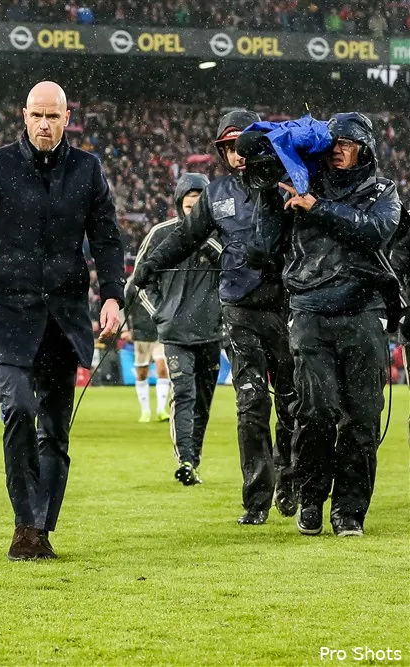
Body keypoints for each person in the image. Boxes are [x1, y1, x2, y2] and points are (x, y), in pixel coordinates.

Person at [0, 81, 124, 561]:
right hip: (9, 313)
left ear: (68, 118)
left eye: (53, 117)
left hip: (64, 317)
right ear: (23, 115)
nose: (45, 124)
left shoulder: (88, 169)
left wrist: (111, 295)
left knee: (56, 430)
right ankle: (25, 521)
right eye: (37, 115)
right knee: (19, 410)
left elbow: (106, 238)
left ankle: (40, 528)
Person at [133, 109, 297, 526]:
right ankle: (257, 500)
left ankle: (292, 481)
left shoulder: (289, 181)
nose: (238, 154)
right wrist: (149, 265)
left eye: (244, 144)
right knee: (251, 402)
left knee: (293, 403)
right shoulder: (216, 192)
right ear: (222, 152)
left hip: (287, 306)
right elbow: (186, 238)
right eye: (230, 147)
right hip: (239, 307)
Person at [273, 113, 402, 537]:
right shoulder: (299, 181)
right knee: (316, 411)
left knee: (362, 418)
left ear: (365, 147)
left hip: (364, 313)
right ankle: (311, 499)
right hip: (310, 311)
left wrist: (318, 208)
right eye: (332, 141)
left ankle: (349, 511)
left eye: (347, 142)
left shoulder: (385, 192)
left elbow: (375, 231)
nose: (338, 148)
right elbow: (258, 171)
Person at [134, 173, 222, 485]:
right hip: (174, 333)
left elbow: (235, 274)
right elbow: (140, 281)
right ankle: (185, 459)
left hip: (211, 331)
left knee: (203, 399)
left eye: (200, 205)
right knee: (184, 393)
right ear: (178, 205)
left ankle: (192, 459)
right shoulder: (161, 234)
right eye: (189, 206)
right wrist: (160, 313)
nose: (194, 211)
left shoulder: (221, 235)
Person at [122, 277, 170, 424]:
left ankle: (161, 410)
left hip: (159, 333)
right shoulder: (133, 282)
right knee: (142, 374)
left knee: (163, 369)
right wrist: (125, 330)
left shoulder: (162, 278)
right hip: (140, 333)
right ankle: (145, 411)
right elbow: (124, 306)